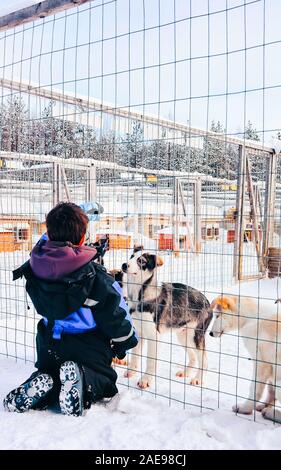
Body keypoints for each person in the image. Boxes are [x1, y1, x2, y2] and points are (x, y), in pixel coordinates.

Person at [3, 202, 138, 417]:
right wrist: (126, 343)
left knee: (51, 374)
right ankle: (83, 382)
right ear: (83, 237)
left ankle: (44, 383)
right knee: (105, 380)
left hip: (48, 345)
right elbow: (116, 320)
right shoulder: (96, 278)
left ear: (48, 233)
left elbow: (49, 251)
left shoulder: (34, 269)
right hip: (87, 349)